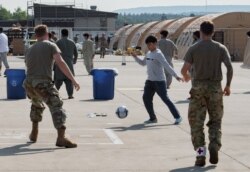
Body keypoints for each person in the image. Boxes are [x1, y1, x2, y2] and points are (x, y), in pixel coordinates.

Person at [181, 21, 233, 166]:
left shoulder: (194, 48)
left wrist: (188, 77)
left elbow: (184, 70)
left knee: (196, 124)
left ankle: (200, 155)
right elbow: (229, 67)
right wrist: (227, 86)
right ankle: (214, 146)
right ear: (213, 32)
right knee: (216, 121)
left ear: (200, 31)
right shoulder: (221, 48)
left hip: (198, 89)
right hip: (216, 88)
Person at [23, 24, 80, 148]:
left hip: (28, 84)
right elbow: (61, 62)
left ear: (36, 35)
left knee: (36, 104)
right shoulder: (51, 45)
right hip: (42, 82)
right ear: (46, 33)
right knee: (57, 106)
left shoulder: (30, 48)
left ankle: (34, 133)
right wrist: (73, 80)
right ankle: (61, 137)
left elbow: (28, 64)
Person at [131, 35, 183, 125]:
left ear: (155, 43)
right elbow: (143, 63)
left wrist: (176, 76)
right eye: (147, 45)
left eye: (150, 44)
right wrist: (135, 57)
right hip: (150, 81)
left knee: (165, 99)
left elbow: (167, 65)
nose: (149, 46)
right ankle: (152, 118)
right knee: (146, 98)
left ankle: (178, 117)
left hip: (159, 81)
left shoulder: (158, 54)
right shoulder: (148, 53)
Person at [54, 29, 78, 99]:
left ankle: (55, 94)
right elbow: (76, 53)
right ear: (68, 34)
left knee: (58, 80)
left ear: (61, 34)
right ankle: (70, 95)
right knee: (69, 80)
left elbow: (53, 52)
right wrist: (74, 61)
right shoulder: (72, 42)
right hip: (69, 63)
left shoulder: (58, 42)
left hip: (59, 63)